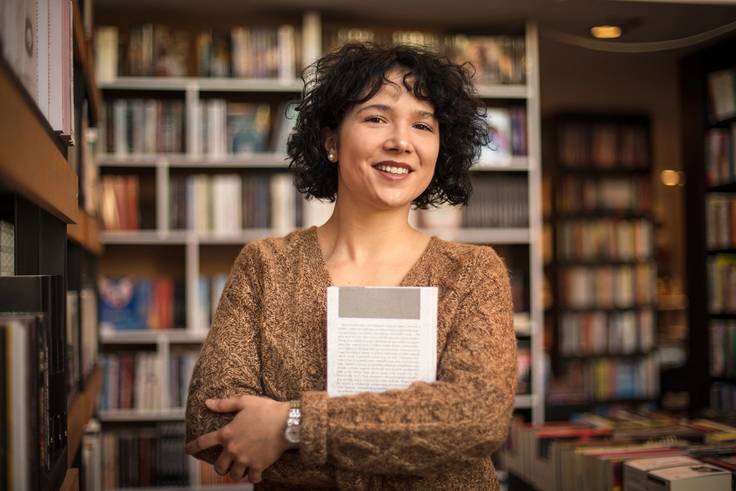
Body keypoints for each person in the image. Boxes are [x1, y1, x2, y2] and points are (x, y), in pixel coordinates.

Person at [184, 42, 517, 490]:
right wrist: (415, 439)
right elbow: (211, 424)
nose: (401, 141)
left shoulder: (473, 272)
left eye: (422, 124)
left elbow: (476, 419)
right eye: (376, 117)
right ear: (331, 141)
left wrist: (290, 425)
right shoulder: (266, 266)